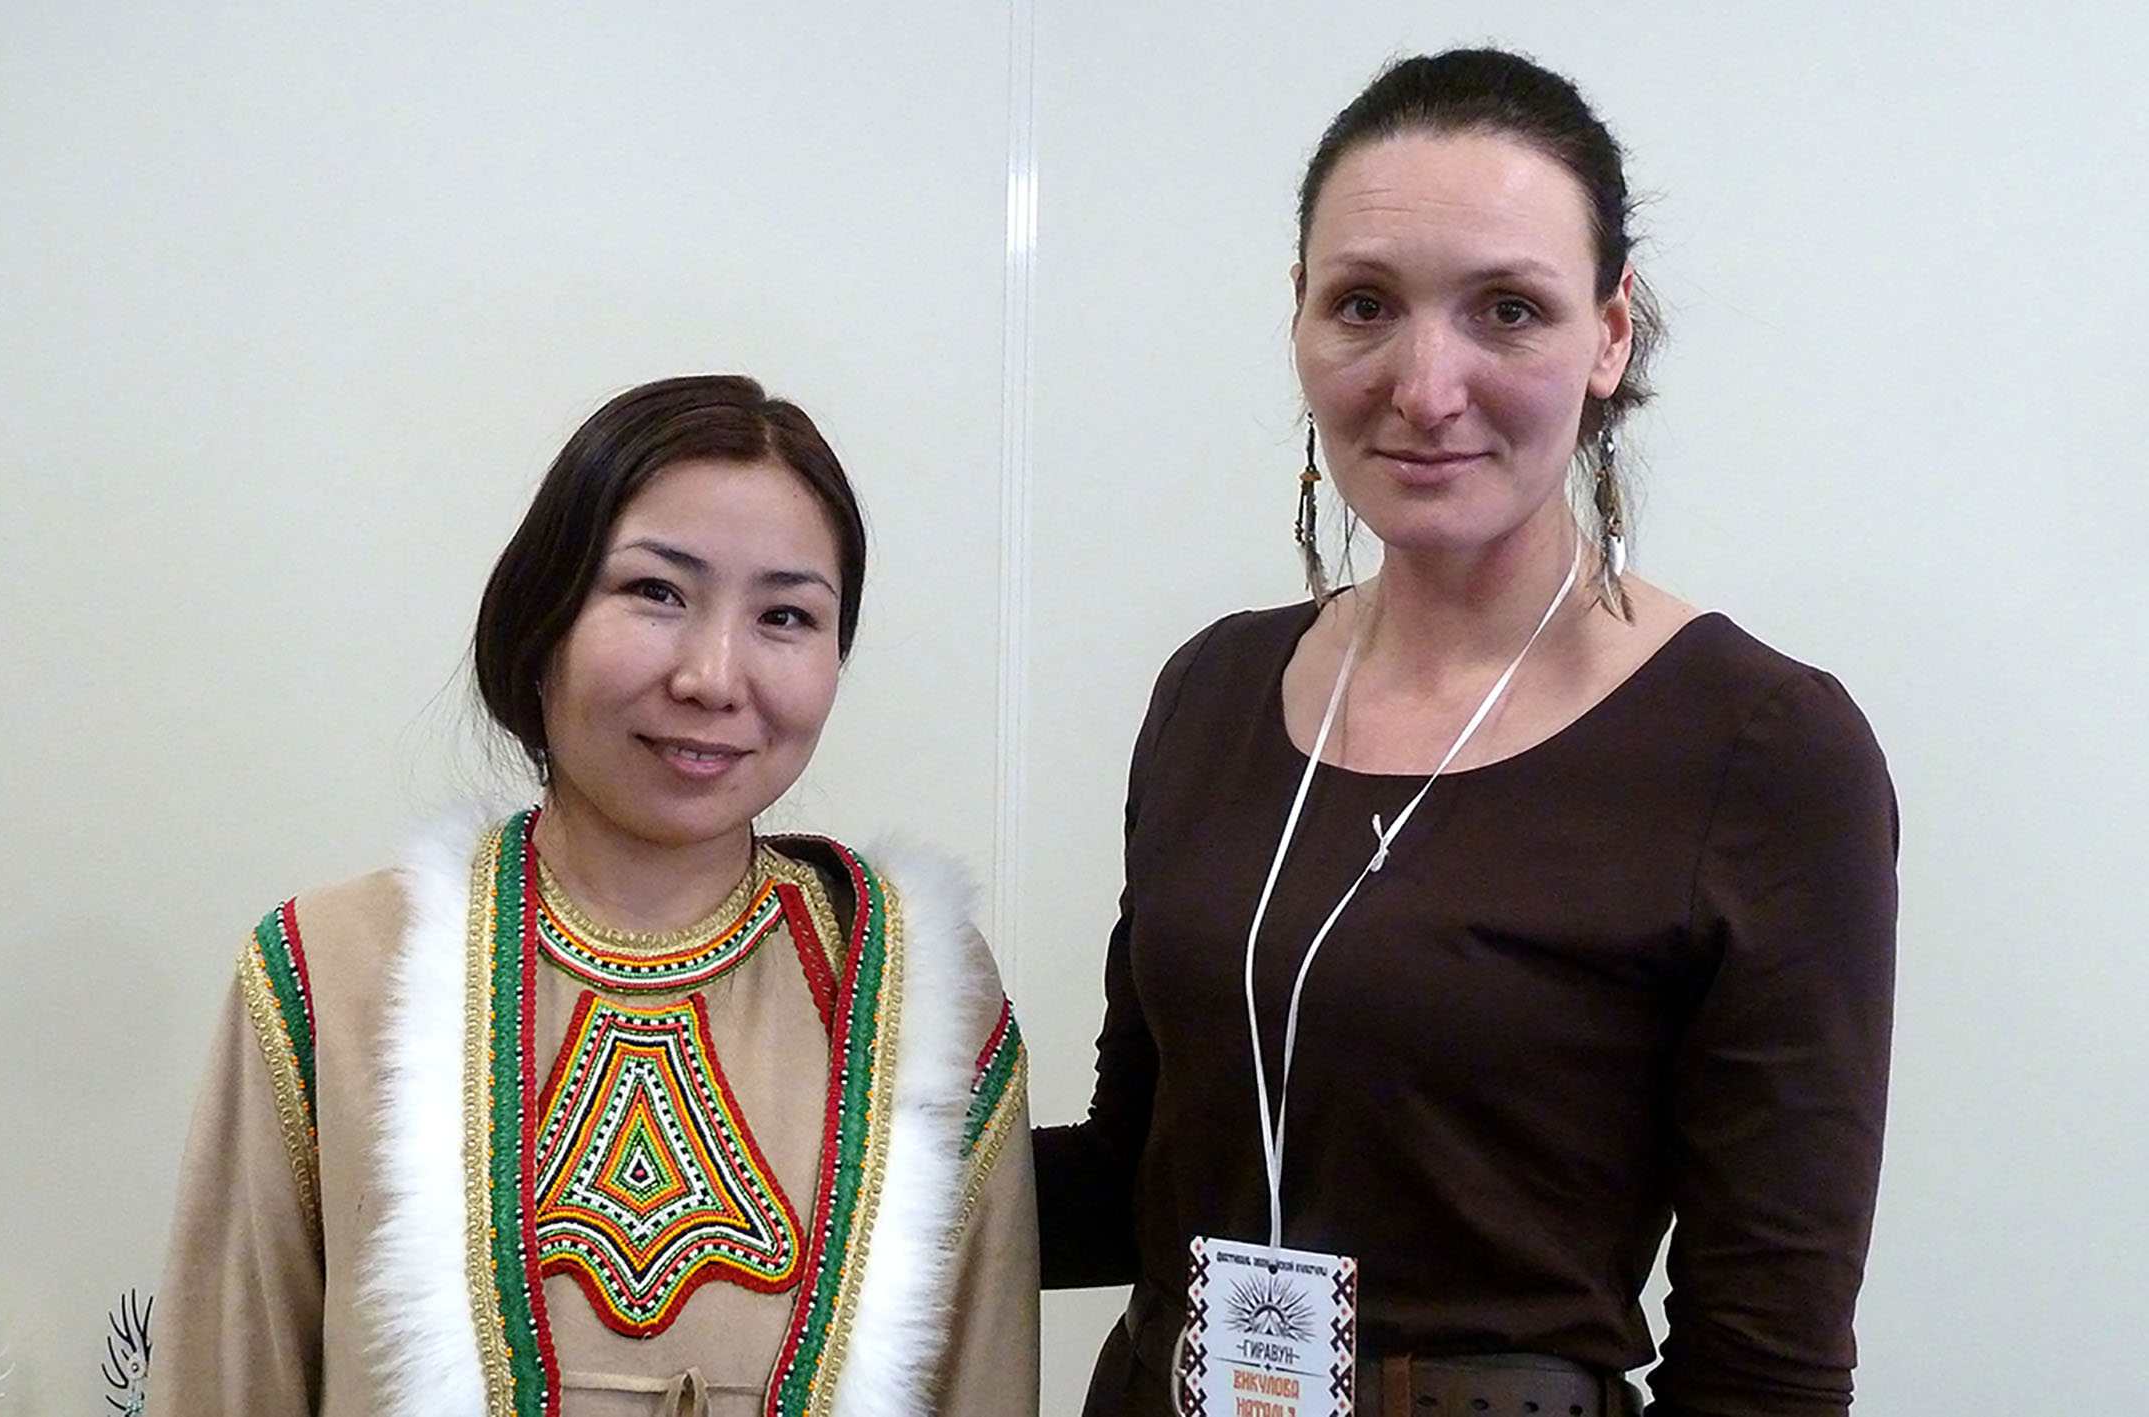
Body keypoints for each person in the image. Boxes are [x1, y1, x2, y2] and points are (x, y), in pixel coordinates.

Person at [1035, 48, 1898, 1417]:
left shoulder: (1761, 748)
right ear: (1300, 317)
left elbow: (1768, 1360)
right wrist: (799, 1127)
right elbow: (1126, 1178)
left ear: (1609, 335)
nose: (1426, 387)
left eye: (1507, 310)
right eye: (1365, 304)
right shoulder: (1213, 689)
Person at [152, 375, 1039, 1416]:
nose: (714, 677)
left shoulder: (913, 992)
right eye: (656, 592)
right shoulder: (333, 973)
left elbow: (987, 1381)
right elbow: (225, 1378)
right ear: (543, 617)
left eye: (785, 615)